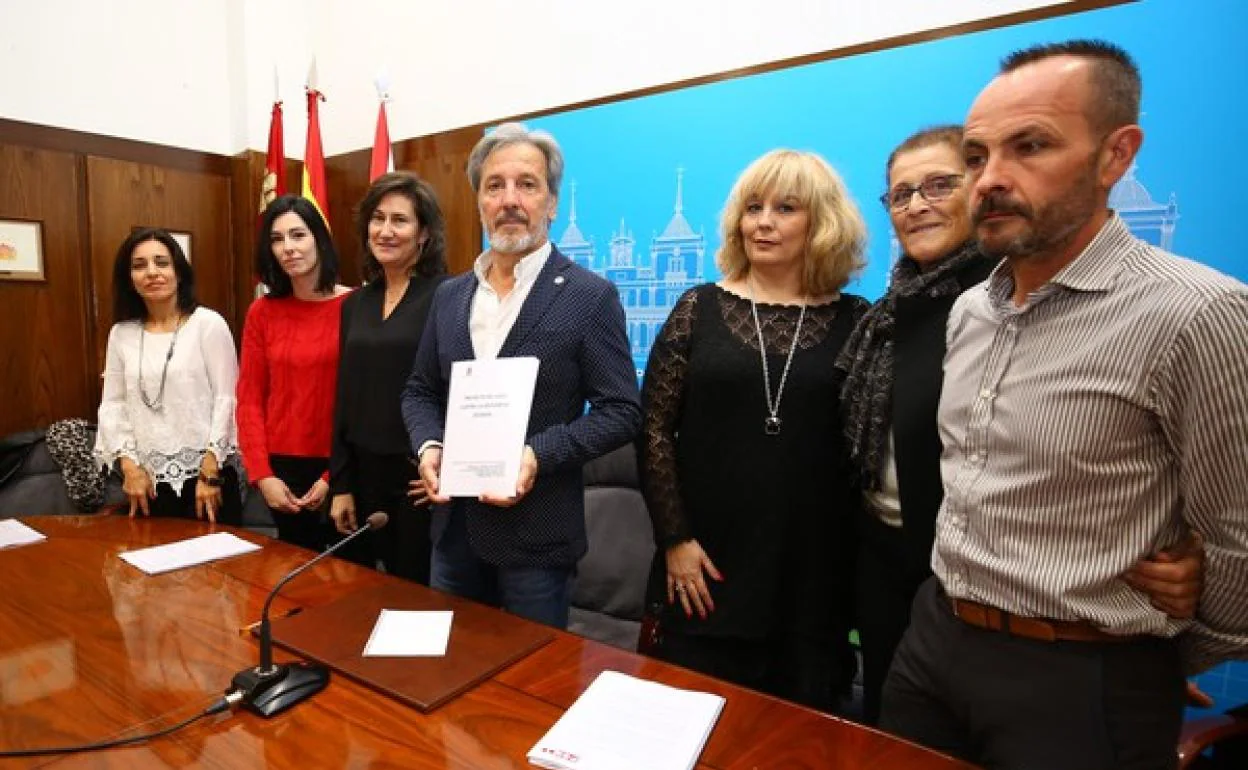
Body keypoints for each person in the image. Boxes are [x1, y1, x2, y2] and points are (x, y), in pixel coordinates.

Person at [879, 40, 1248, 768]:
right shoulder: (970, 314)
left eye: (1032, 147)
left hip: (1081, 675)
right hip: (934, 642)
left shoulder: (1197, 313)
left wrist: (1152, 654)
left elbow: (1237, 539)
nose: (991, 179)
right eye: (978, 156)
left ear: (1117, 155)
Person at [841, 125, 1205, 727]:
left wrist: (1184, 578)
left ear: (981, 188)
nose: (917, 205)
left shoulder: (1018, 301)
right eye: (900, 194)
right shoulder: (882, 316)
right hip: (887, 565)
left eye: (938, 185)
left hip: (1002, 594)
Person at [639, 149, 867, 712]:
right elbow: (654, 431)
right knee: (690, 721)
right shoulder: (700, 308)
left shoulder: (859, 320)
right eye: (753, 207)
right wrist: (675, 540)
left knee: (797, 737)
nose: (763, 222)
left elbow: (865, 450)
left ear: (821, 223)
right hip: (703, 565)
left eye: (785, 208)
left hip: (812, 575)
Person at [403, 122, 641, 629]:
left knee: (532, 690)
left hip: (537, 541)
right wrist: (429, 448)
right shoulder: (450, 296)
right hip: (454, 532)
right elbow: (420, 390)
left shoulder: (589, 296)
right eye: (495, 186)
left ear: (552, 203)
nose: (509, 199)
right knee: (448, 668)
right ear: (480, 202)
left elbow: (622, 411)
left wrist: (537, 455)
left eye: (527, 184)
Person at [328, 172, 447, 582]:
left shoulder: (449, 296)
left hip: (418, 477)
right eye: (377, 219)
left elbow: (455, 388)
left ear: (424, 233)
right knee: (359, 597)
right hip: (362, 477)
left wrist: (444, 464)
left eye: (400, 220)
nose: (385, 231)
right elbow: (345, 395)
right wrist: (341, 482)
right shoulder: (353, 305)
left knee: (415, 597)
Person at [95, 228, 242, 524]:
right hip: (145, 486)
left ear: (179, 271)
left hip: (207, 481)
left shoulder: (207, 324)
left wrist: (210, 475)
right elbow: (113, 405)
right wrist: (130, 469)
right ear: (129, 278)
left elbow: (228, 399)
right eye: (139, 265)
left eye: (161, 262)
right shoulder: (121, 334)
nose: (152, 272)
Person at [236, 195, 350, 551]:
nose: (288, 248)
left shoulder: (357, 306)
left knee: (347, 581)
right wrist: (263, 475)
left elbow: (364, 402)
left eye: (298, 235)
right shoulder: (262, 312)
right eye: (276, 239)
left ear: (319, 238)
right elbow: (249, 398)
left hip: (342, 466)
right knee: (293, 580)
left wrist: (336, 476)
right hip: (281, 469)